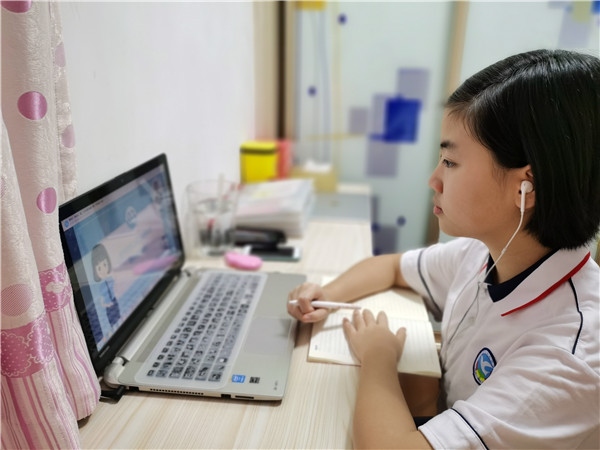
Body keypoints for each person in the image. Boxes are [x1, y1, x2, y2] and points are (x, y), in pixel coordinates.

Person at [287, 49, 600, 449]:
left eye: (450, 162)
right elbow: (392, 267)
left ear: (527, 187)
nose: (433, 180)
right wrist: (325, 295)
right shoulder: (485, 253)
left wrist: (379, 357)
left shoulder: (567, 354)